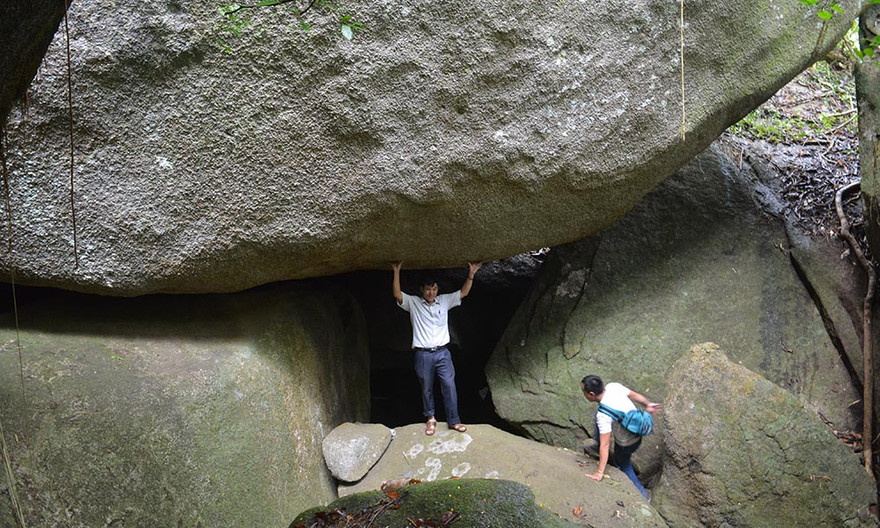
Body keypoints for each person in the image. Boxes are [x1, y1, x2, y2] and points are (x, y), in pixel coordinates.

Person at [392, 261, 482, 436]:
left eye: (434, 289)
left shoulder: (444, 301)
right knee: (426, 387)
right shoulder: (414, 303)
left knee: (449, 385)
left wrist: (471, 274)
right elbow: (397, 294)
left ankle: (454, 420)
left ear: (437, 289)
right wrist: (396, 271)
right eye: (427, 289)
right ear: (422, 290)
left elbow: (463, 292)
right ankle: (430, 419)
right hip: (423, 354)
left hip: (443, 353)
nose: (431, 292)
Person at [581, 374, 660, 499]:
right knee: (599, 420)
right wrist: (648, 404)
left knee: (622, 463)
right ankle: (599, 445)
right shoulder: (613, 387)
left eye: (583, 392)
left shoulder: (603, 416)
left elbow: (605, 445)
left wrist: (599, 472)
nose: (583, 394)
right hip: (637, 431)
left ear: (591, 394)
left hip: (627, 442)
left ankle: (643, 496)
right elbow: (635, 396)